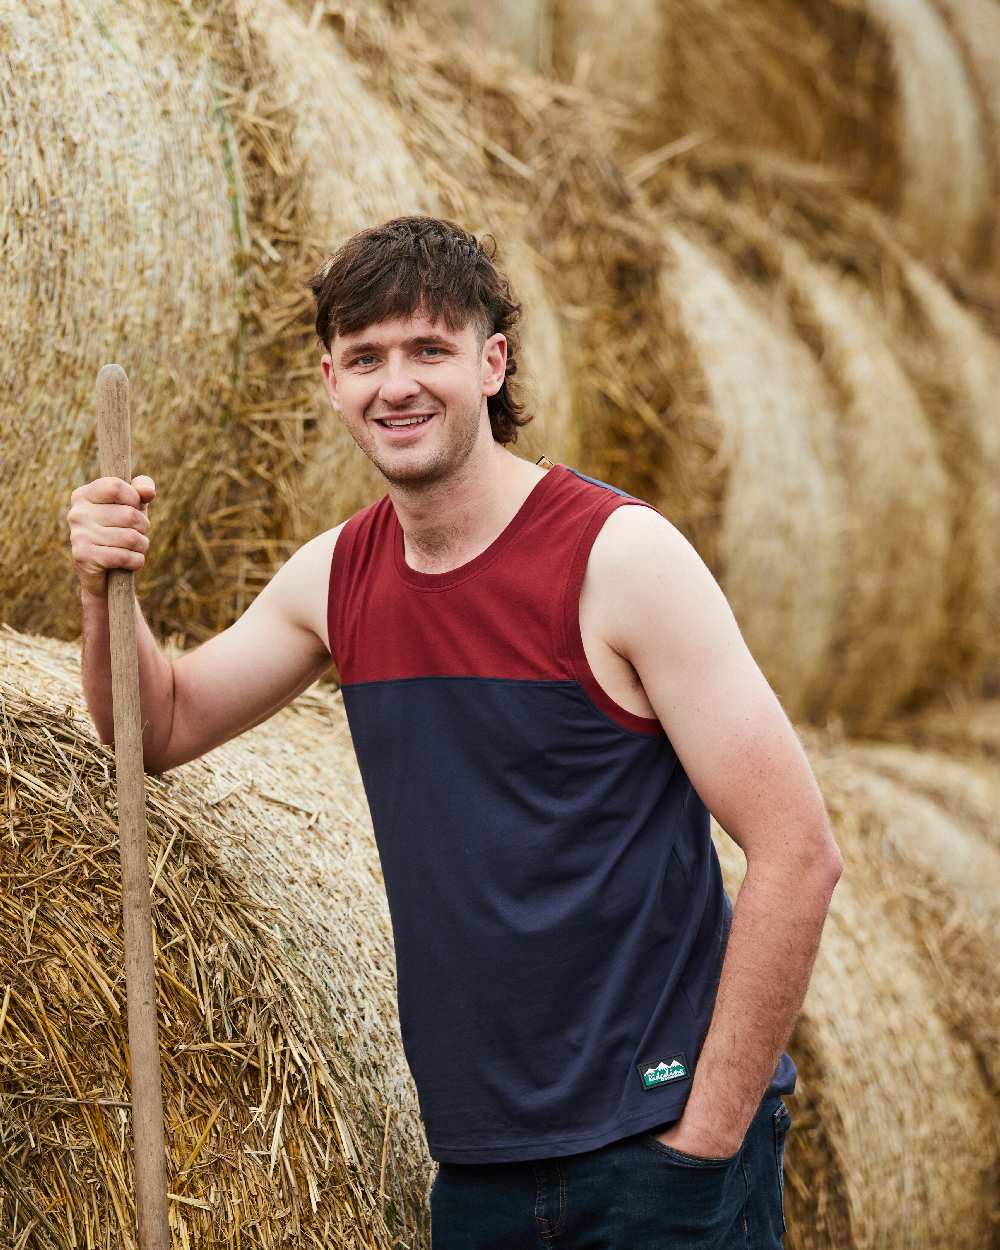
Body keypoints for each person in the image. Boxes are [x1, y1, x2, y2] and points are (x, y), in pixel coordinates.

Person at [70, 215, 843, 1249]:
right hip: (480, 1169)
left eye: (429, 349)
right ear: (330, 382)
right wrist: (101, 589)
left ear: (491, 362)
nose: (397, 384)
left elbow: (799, 849)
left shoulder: (619, 560)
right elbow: (154, 726)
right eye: (365, 358)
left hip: (655, 1147)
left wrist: (704, 1139)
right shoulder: (335, 578)